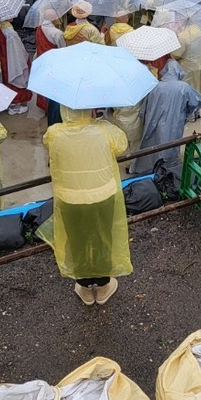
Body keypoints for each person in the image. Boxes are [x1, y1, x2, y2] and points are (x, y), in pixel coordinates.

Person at [39, 108, 131, 305]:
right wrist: (101, 122)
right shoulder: (105, 130)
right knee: (103, 237)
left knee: (76, 240)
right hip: (103, 196)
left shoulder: (55, 133)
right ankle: (103, 284)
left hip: (70, 199)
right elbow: (122, 144)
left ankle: (85, 287)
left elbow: (47, 142)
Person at [128, 52, 201, 176]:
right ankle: (169, 171)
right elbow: (200, 101)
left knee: (154, 146)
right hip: (174, 123)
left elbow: (144, 110)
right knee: (171, 145)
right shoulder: (183, 87)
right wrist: (187, 112)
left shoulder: (155, 87)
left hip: (154, 123)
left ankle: (151, 169)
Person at [33, 7, 66, 124]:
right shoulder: (57, 33)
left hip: (42, 60)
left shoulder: (39, 28)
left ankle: (45, 106)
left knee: (45, 85)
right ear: (53, 19)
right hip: (54, 63)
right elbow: (63, 49)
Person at [0, 19, 31, 111]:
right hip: (12, 58)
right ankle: (16, 104)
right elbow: (18, 50)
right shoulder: (9, 31)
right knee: (16, 78)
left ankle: (10, 102)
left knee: (6, 79)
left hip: (2, 58)